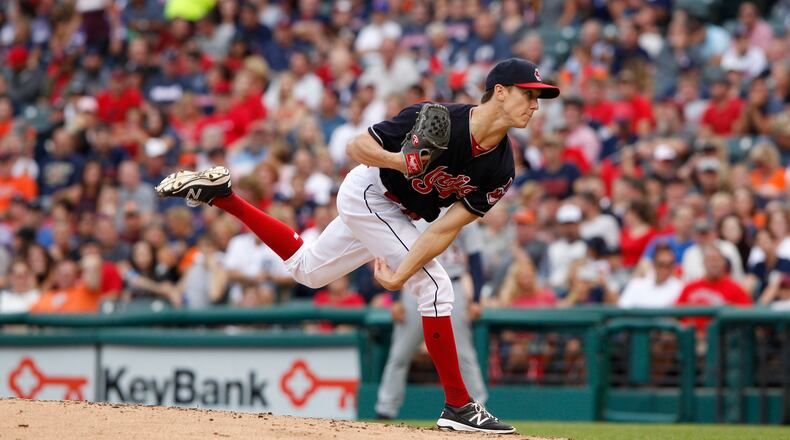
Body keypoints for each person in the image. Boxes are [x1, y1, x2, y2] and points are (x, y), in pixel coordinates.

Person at [156, 58, 560, 434]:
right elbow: (356, 148)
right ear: (500, 91)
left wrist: (401, 273)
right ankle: (458, 405)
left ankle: (224, 196)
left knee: (308, 270)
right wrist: (404, 162)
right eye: (529, 94)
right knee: (437, 287)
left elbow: (443, 230)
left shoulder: (502, 168)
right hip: (371, 191)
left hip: (402, 216)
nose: (535, 105)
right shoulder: (440, 119)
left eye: (538, 97)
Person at [375, 222, 488, 420]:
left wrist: (477, 298)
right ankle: (385, 408)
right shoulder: (416, 210)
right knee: (400, 353)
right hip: (414, 285)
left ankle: (478, 405)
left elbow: (476, 259)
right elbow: (394, 254)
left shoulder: (463, 213)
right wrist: (394, 299)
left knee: (463, 353)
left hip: (454, 285)